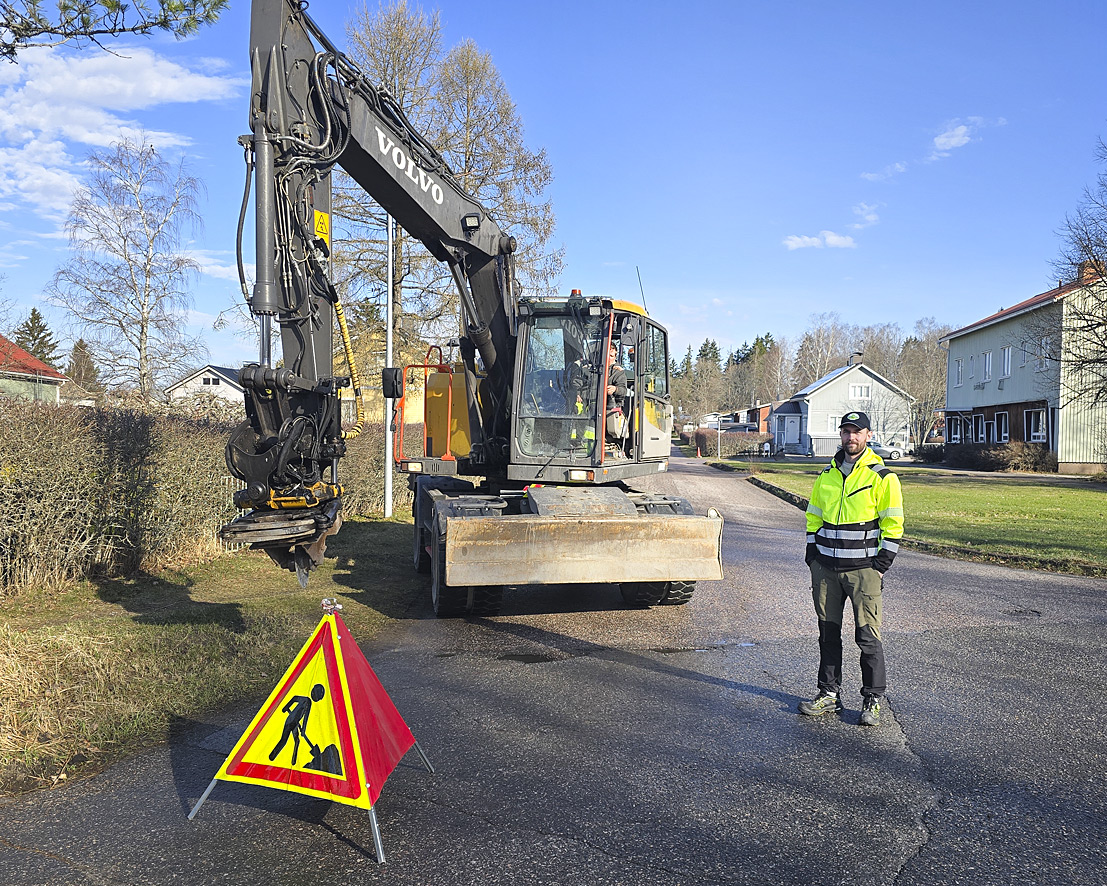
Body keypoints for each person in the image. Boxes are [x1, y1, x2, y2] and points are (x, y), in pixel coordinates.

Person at [799, 411, 903, 726]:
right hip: (826, 570)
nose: (851, 438)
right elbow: (813, 517)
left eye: (857, 432)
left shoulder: (882, 477)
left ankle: (872, 700)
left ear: (868, 435)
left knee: (868, 637)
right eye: (846, 431)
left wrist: (881, 565)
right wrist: (811, 554)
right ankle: (829, 695)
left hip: (863, 571)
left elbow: (894, 524)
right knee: (828, 634)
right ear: (841, 435)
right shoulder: (826, 476)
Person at [604, 340, 628, 446]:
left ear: (615, 355)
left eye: (611, 356)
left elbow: (623, 391)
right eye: (607, 355)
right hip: (593, 408)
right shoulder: (594, 370)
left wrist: (615, 389)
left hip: (611, 409)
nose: (609, 358)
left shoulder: (618, 372)